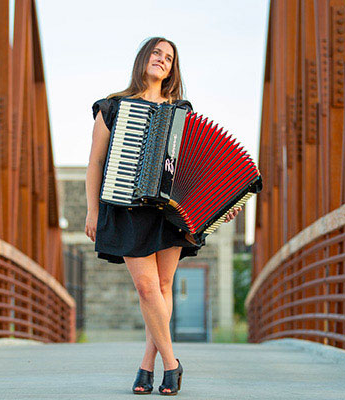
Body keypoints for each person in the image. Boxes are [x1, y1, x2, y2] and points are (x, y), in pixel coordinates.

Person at [84, 36, 241, 396]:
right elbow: (95, 162)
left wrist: (218, 205)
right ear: (143, 58)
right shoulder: (112, 106)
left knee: (164, 286)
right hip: (125, 207)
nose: (161, 59)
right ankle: (173, 364)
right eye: (156, 52)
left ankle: (146, 366)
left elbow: (198, 166)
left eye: (168, 58)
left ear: (172, 69)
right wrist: (92, 209)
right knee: (146, 287)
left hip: (168, 213)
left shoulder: (181, 110)